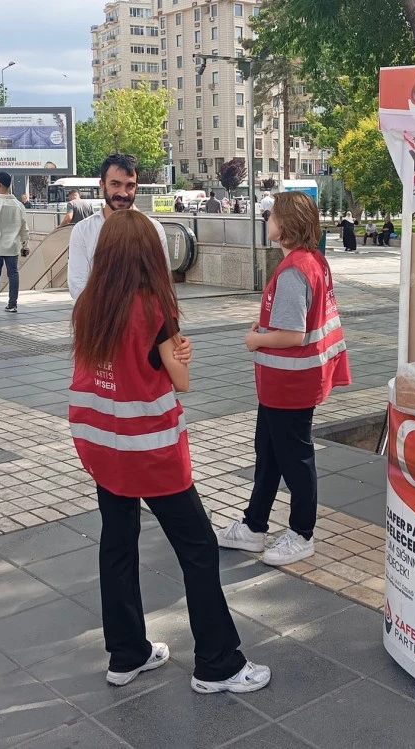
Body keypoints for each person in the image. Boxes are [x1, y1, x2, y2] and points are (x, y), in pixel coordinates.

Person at [68, 209, 271, 695]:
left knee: (117, 542)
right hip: (150, 449)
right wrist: (183, 358)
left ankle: (126, 653)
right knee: (198, 548)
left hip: (100, 443)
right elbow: (179, 381)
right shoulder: (153, 307)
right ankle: (217, 663)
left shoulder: (89, 305)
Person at [216, 191, 351, 566]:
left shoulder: (294, 270)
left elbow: (292, 335)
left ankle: (301, 533)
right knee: (270, 455)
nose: (267, 219)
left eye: (272, 214)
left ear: (285, 225)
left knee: (295, 460)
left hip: (290, 385)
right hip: (288, 384)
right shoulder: (313, 261)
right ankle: (254, 526)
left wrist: (255, 339)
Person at [67, 153, 168, 300]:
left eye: (130, 186)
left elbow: (163, 284)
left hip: (144, 320)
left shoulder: (153, 229)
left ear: (136, 187)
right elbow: (78, 287)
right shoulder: (83, 230)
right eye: (115, 184)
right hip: (98, 319)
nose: (123, 193)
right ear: (102, 184)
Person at [0, 171, 29, 313]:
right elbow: (24, 227)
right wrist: (25, 244)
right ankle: (12, 304)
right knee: (13, 273)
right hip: (13, 246)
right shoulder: (19, 205)